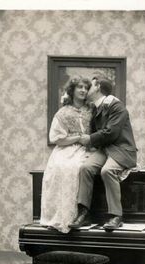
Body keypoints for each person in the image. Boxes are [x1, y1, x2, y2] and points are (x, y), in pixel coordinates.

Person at [69, 75, 137, 231]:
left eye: (90, 86)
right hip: (105, 150)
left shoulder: (116, 106)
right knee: (85, 168)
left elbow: (111, 133)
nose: (86, 89)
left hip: (122, 150)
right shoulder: (97, 107)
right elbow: (96, 132)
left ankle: (116, 216)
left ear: (98, 86)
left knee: (107, 170)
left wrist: (89, 139)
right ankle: (84, 213)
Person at [40, 76, 92, 233]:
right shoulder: (63, 112)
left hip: (89, 149)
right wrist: (77, 138)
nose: (83, 90)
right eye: (80, 87)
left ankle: (81, 214)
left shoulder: (92, 110)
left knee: (78, 167)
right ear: (72, 90)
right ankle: (62, 217)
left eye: (86, 88)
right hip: (67, 149)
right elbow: (55, 138)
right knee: (61, 166)